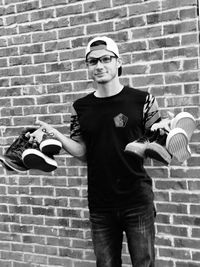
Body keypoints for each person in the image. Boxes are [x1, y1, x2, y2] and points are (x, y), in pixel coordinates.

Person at [33, 36, 169, 267]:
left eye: (106, 58)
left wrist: (164, 131)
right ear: (88, 67)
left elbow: (160, 145)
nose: (99, 65)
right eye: (92, 61)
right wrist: (56, 135)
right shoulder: (80, 108)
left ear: (118, 62)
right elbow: (84, 152)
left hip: (137, 200)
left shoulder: (143, 100)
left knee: (144, 263)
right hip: (100, 204)